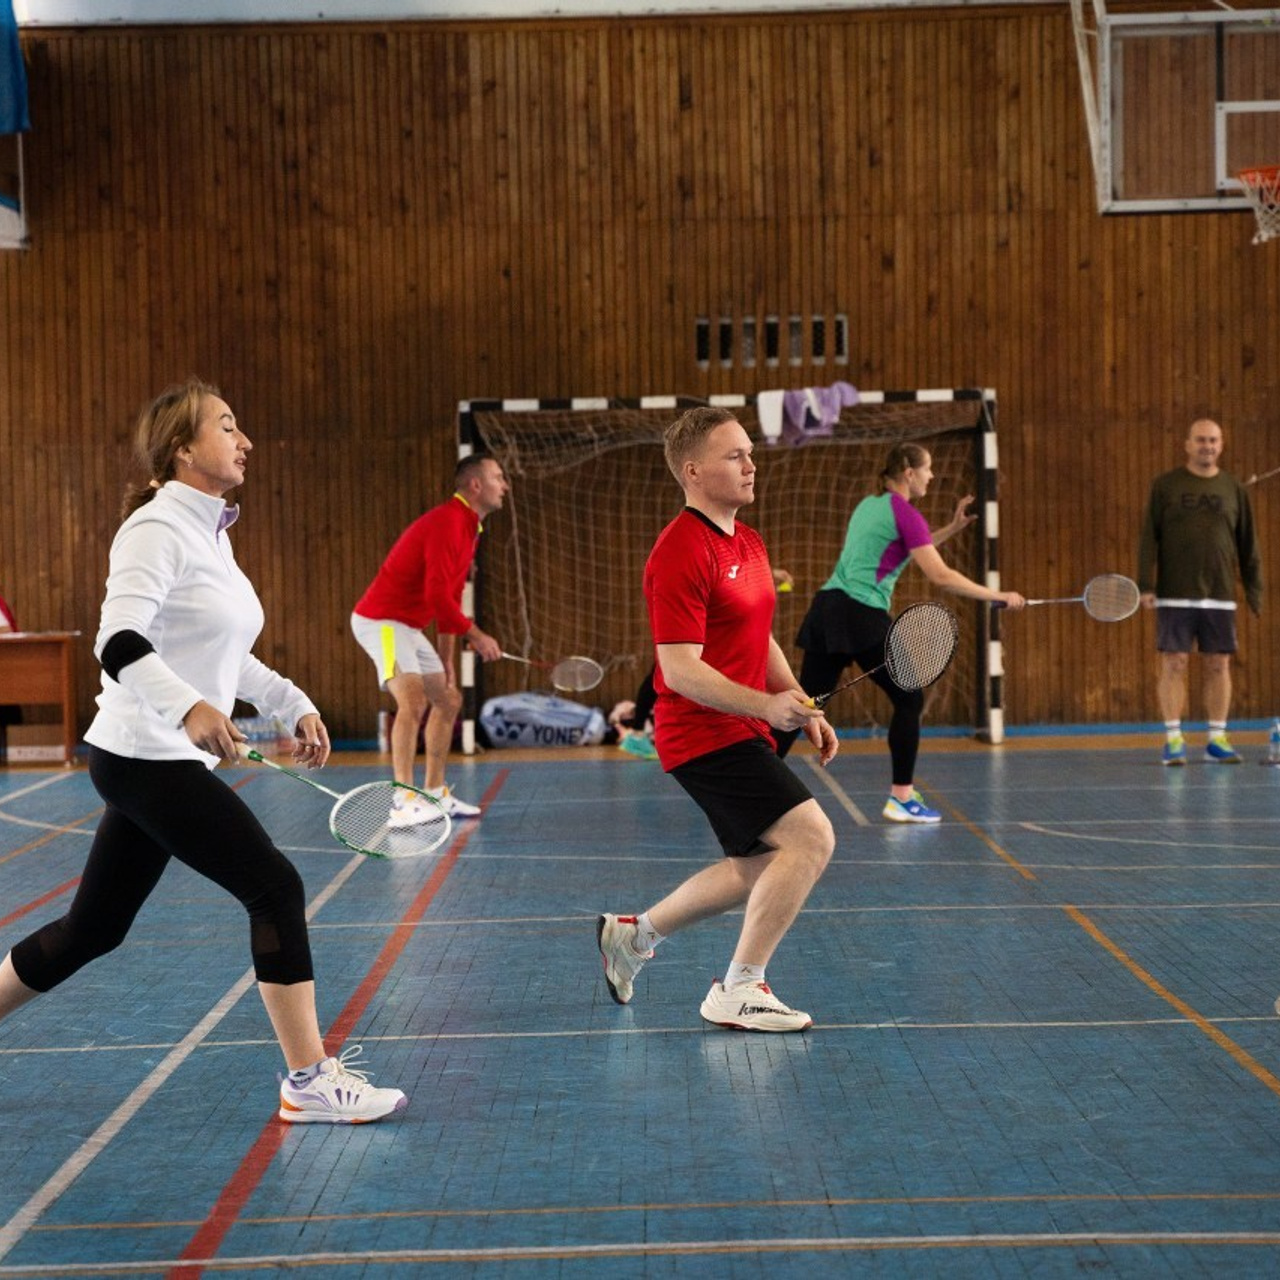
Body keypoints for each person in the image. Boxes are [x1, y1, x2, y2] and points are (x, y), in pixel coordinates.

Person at [0, 380, 406, 1124]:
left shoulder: (211, 534)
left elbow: (225, 654)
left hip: (156, 759)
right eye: (226, 426)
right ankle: (308, 1080)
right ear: (183, 448)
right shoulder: (156, 529)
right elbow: (118, 640)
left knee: (93, 930)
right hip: (144, 756)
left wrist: (293, 702)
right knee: (274, 887)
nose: (244, 440)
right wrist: (187, 707)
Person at [596, 406, 838, 1033]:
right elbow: (678, 670)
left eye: (750, 452)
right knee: (811, 839)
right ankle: (740, 987)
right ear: (694, 471)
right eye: (735, 455)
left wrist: (799, 702)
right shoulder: (680, 549)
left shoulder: (748, 541)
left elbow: (760, 637)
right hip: (703, 733)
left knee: (756, 867)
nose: (751, 464)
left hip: (744, 727)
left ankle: (634, 936)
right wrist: (765, 705)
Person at [775, 443, 1025, 823]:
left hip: (828, 608)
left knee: (804, 705)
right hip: (862, 614)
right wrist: (998, 596)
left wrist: (952, 528)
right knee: (909, 700)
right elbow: (939, 574)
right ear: (909, 473)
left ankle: (751, 781)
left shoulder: (869, 505)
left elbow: (906, 547)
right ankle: (902, 798)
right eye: (928, 469)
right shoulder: (906, 514)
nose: (932, 475)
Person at [351, 455, 509, 823]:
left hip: (408, 627)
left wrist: (446, 659)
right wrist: (478, 636)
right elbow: (438, 596)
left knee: (448, 698)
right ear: (476, 485)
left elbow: (450, 597)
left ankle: (435, 794)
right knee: (413, 699)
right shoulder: (448, 523)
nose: (505, 486)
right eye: (498, 478)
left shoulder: (469, 529)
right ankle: (402, 800)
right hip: (381, 621)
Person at [1138, 417, 1262, 765]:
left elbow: (1249, 544)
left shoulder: (1233, 489)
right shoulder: (1166, 486)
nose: (1207, 446)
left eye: (1213, 440)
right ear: (1188, 444)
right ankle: (1173, 739)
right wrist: (1145, 584)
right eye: (1201, 440)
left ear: (1221, 445)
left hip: (1219, 593)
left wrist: (1254, 590)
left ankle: (1216, 740)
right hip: (1174, 592)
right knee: (1174, 663)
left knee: (1219, 664)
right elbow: (1148, 538)